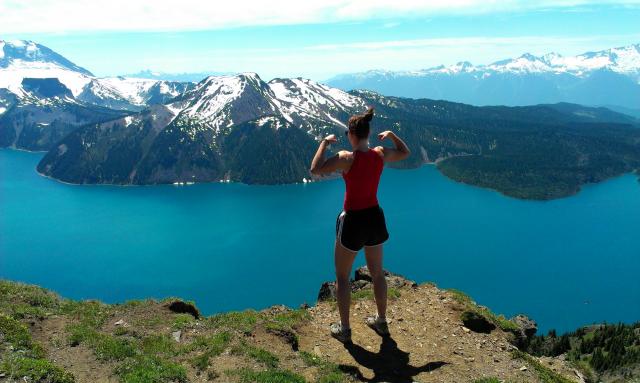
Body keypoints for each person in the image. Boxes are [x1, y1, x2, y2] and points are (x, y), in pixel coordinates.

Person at [309, 107, 410, 343]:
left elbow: (315, 170)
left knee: (342, 277)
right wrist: (392, 135)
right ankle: (381, 322)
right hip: (375, 218)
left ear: (352, 134)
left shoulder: (347, 158)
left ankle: (345, 330)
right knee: (377, 273)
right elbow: (405, 153)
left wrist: (324, 143)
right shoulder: (380, 153)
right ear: (368, 132)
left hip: (354, 220)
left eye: (347, 134)